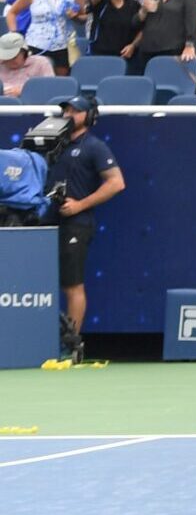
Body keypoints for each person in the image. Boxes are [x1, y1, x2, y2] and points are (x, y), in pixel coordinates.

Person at [38, 93, 120, 360]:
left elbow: (116, 183)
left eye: (76, 111)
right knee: (39, 283)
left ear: (90, 116)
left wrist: (80, 205)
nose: (69, 115)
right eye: (66, 110)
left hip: (77, 223)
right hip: (44, 221)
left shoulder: (95, 147)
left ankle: (71, 346)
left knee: (72, 285)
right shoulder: (53, 146)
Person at [8, 0, 78, 73]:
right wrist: (15, 35)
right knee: (36, 79)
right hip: (36, 43)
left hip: (63, 45)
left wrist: (75, 16)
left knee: (61, 82)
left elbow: (84, 16)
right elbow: (12, 13)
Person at [0, 33, 40, 97]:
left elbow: (49, 89)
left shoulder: (40, 63)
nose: (10, 61)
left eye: (14, 57)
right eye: (6, 57)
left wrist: (24, 92)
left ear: (24, 53)